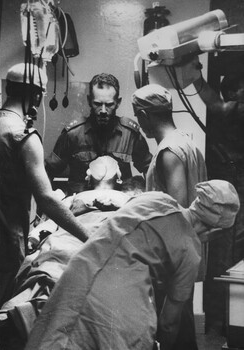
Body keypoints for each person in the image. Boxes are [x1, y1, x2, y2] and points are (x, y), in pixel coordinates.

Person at [24, 180, 240, 350]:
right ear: (216, 230)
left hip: (78, 273)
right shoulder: (190, 251)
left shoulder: (156, 198)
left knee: (55, 340)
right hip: (119, 299)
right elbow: (169, 322)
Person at [0, 156, 142, 349]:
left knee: (51, 266)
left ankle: (31, 308)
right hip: (100, 237)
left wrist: (34, 239)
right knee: (76, 262)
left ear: (87, 177)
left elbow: (47, 226)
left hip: (71, 239)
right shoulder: (133, 202)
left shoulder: (73, 200)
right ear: (119, 176)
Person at [0, 62, 88, 337]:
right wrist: (89, 238)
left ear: (7, 88)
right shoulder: (23, 136)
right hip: (1, 246)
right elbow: (47, 200)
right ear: (38, 96)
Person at [131, 83, 207, 350]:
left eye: (138, 118)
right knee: (183, 329)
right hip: (187, 253)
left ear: (143, 115)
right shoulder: (187, 142)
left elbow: (176, 209)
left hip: (172, 258)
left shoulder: (169, 152)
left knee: (171, 329)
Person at [192, 65, 244, 333]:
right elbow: (218, 106)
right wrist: (196, 77)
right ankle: (222, 321)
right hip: (233, 188)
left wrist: (196, 78)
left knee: (228, 250)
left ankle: (224, 320)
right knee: (226, 251)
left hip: (234, 188)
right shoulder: (233, 110)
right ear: (234, 92)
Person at [45, 73, 152, 195]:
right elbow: (47, 172)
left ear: (118, 102)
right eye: (97, 104)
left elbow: (150, 169)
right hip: (81, 209)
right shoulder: (73, 134)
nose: (103, 111)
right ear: (89, 101)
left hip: (119, 209)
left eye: (109, 104)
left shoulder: (130, 134)